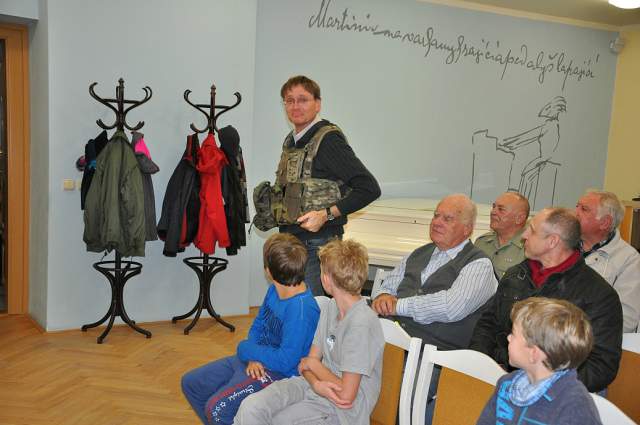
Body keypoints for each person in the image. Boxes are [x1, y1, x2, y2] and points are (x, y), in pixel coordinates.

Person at [470, 208, 623, 393]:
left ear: (552, 241)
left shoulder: (598, 294)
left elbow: (600, 366)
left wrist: (536, 381)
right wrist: (482, 365)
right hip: (498, 376)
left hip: (556, 393)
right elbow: (488, 324)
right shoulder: (516, 275)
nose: (524, 236)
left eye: (532, 230)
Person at [235, 239, 384, 425]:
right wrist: (315, 382)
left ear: (326, 279)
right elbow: (304, 365)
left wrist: (314, 366)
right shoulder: (331, 307)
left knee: (277, 420)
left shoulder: (361, 323)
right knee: (251, 407)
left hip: (342, 410)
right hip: (311, 385)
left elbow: (346, 394)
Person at [181, 233, 320, 425]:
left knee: (217, 408)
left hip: (280, 374)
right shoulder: (275, 289)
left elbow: (286, 360)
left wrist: (246, 349)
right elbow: (258, 325)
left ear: (268, 271)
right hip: (255, 360)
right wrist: (253, 357)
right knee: (191, 383)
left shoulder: (302, 311)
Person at [275, 75, 381, 296]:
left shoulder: (328, 140)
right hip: (293, 242)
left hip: (318, 245)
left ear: (318, 104)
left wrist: (326, 215)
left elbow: (369, 187)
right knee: (297, 307)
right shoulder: (292, 140)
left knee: (314, 309)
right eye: (289, 100)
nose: (295, 106)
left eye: (303, 99)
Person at [372, 194, 498, 350]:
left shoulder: (479, 265)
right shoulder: (419, 253)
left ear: (467, 229)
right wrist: (383, 296)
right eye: (436, 216)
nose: (436, 222)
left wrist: (398, 306)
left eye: (447, 219)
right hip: (390, 342)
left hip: (437, 357)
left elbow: (451, 307)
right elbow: (389, 285)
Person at [477, 297, 602, 425]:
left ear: (533, 354)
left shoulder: (574, 408)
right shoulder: (506, 384)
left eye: (513, 334)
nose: (508, 338)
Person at [576, 190, 640, 332]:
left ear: (605, 223)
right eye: (577, 206)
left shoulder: (629, 259)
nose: (575, 212)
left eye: (584, 209)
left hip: (591, 340)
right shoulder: (562, 245)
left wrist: (574, 332)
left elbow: (625, 319)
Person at [475, 192, 529, 279]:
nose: (493, 212)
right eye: (494, 207)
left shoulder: (529, 249)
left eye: (501, 209)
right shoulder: (481, 242)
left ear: (519, 218)